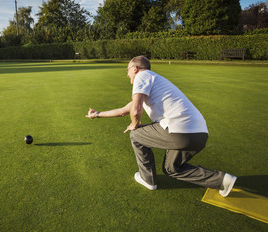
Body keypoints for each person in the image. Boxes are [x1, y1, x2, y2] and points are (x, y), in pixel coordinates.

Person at [85, 56, 236, 197]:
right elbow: (124, 110)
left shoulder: (142, 76)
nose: (127, 75)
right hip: (200, 134)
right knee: (172, 168)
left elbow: (136, 111)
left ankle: (147, 179)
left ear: (135, 69)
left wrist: (134, 124)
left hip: (179, 131)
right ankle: (222, 180)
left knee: (135, 135)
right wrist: (97, 114)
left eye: (128, 70)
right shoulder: (153, 84)